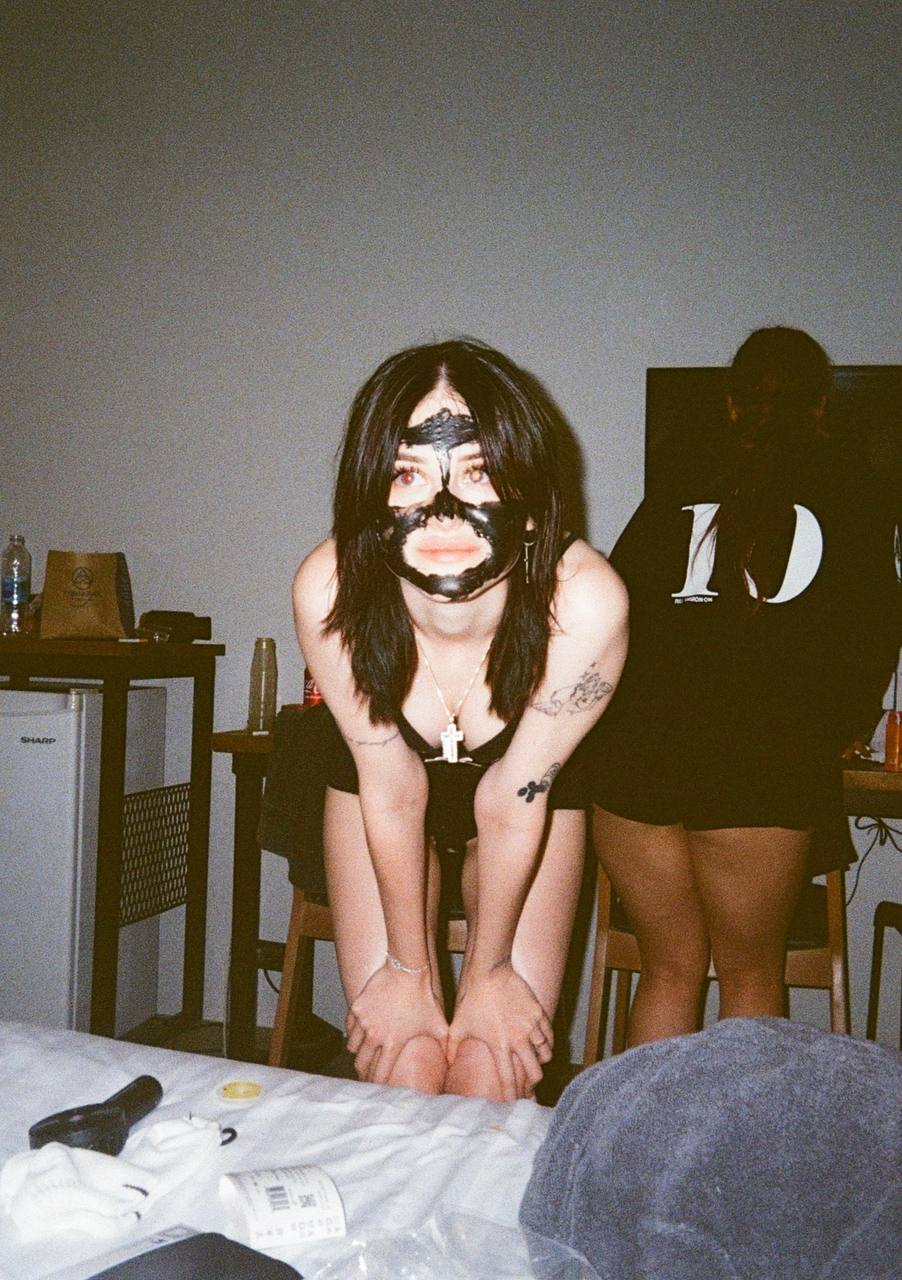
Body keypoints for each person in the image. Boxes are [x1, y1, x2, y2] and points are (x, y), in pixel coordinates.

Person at [292, 338, 628, 1101]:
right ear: (368, 500)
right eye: (407, 474)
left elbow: (512, 802)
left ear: (532, 505)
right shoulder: (330, 590)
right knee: (406, 1060)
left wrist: (491, 970)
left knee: (489, 1063)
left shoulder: (585, 602)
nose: (443, 510)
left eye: (478, 472)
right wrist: (408, 971)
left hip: (527, 802)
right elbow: (391, 788)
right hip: (378, 792)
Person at [589, 326, 901, 1047]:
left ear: (731, 404)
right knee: (752, 977)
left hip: (636, 753)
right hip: (757, 758)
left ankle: (643, 1124)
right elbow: (875, 628)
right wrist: (844, 726)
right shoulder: (852, 487)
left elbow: (612, 602)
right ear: (820, 406)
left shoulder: (678, 479)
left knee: (668, 970)